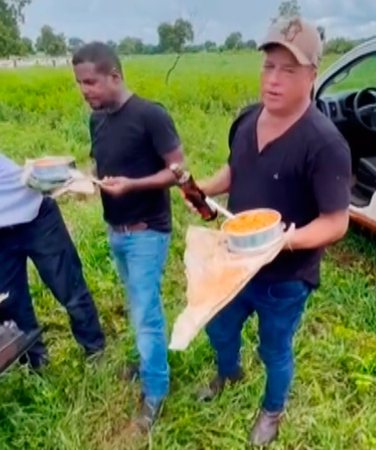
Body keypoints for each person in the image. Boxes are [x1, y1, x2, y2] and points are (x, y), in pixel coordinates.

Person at [188, 17, 351, 446]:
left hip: (284, 277)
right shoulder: (247, 119)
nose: (274, 80)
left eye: (289, 70)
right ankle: (228, 372)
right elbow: (235, 169)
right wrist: (202, 187)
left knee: (274, 348)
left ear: (312, 76)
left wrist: (285, 240)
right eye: (269, 66)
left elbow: (337, 222)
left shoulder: (325, 144)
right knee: (218, 327)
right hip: (234, 262)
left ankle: (272, 410)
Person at [72, 42, 185, 432]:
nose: (85, 90)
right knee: (138, 306)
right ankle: (146, 363)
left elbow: (178, 171)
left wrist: (132, 186)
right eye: (79, 83)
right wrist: (82, 181)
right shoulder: (97, 119)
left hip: (147, 232)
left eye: (91, 82)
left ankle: (156, 391)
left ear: (115, 76)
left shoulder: (151, 116)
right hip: (115, 230)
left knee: (145, 314)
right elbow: (99, 163)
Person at [0, 153, 106, 370]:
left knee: (70, 288)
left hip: (37, 216)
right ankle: (36, 366)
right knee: (12, 304)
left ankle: (96, 354)